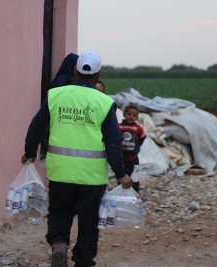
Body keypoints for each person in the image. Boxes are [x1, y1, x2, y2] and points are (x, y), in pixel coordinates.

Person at [21, 50, 132, 267]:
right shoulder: (103, 102)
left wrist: (30, 152)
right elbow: (113, 142)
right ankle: (83, 260)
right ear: (98, 74)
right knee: (89, 222)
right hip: (92, 177)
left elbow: (35, 127)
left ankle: (60, 243)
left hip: (61, 171)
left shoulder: (56, 95)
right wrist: (121, 174)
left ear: (74, 70)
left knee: (60, 211)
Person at [118, 105, 146, 192]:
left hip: (133, 158)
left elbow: (143, 137)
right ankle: (122, 192)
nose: (131, 117)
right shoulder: (119, 126)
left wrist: (137, 147)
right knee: (121, 175)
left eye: (134, 115)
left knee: (134, 177)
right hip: (121, 157)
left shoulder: (138, 128)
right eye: (129, 114)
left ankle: (135, 193)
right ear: (124, 114)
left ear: (137, 117)